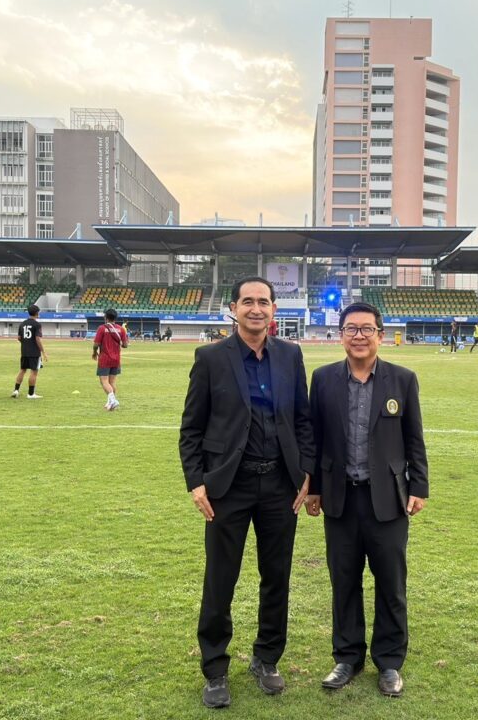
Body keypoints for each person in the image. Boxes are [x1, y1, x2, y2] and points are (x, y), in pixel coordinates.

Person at [179, 276, 315, 709]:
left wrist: (306, 473)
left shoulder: (291, 355)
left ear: (274, 309)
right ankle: (215, 668)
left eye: (264, 302)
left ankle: (266, 658)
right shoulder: (210, 358)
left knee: (276, 577)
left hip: (280, 486)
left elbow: (303, 420)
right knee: (221, 579)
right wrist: (196, 481)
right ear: (233, 308)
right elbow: (191, 428)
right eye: (248, 301)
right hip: (228, 488)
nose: (256, 309)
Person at [306, 302, 429, 698]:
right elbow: (315, 439)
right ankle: (347, 657)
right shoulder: (323, 379)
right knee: (344, 581)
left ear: (380, 334)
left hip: (388, 501)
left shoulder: (402, 380)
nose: (358, 336)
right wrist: (313, 487)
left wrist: (419, 487)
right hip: (340, 499)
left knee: (391, 584)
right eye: (351, 329)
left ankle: (389, 662)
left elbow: (414, 438)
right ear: (340, 335)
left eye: (366, 329)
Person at [92, 308, 126, 411]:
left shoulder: (102, 328)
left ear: (106, 317)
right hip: (116, 359)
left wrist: (94, 352)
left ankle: (113, 400)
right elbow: (125, 345)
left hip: (105, 358)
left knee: (104, 382)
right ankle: (110, 404)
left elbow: (96, 344)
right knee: (112, 382)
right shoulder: (121, 329)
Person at [11, 304, 48, 399]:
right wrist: (43, 352)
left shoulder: (22, 324)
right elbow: (37, 339)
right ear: (37, 313)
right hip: (34, 352)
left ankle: (16, 390)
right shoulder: (37, 324)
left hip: (24, 351)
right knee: (34, 372)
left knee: (22, 370)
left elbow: (19, 338)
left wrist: (26, 344)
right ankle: (31, 394)